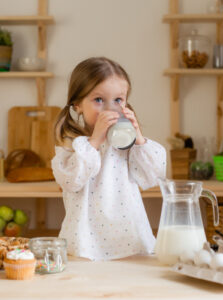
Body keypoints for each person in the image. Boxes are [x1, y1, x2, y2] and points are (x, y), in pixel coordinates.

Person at [52, 57, 166, 261]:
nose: (109, 108)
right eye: (98, 100)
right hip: (86, 242)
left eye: (118, 100)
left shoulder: (128, 145)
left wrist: (138, 137)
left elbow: (153, 176)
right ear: (77, 104)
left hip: (130, 240)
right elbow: (70, 181)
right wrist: (94, 141)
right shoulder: (73, 146)